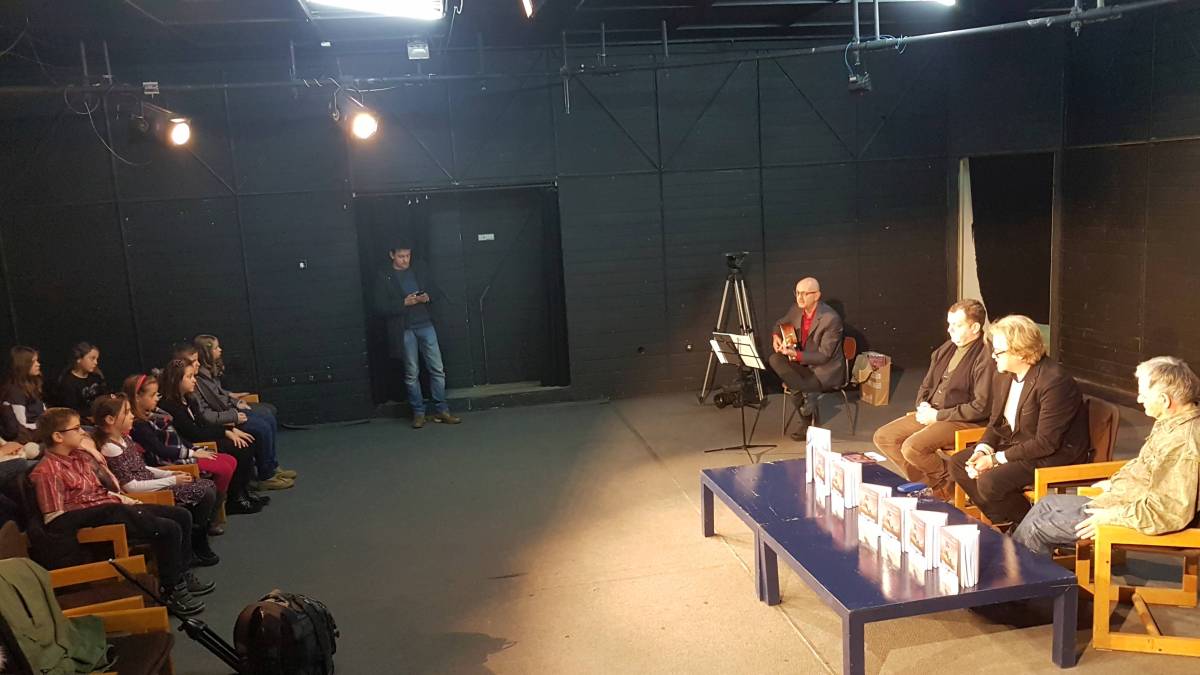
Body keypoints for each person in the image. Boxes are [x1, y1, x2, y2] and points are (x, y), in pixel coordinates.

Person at [27, 407, 213, 615]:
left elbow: (106, 488)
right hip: (98, 519)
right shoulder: (47, 472)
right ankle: (171, 590)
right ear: (58, 436)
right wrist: (102, 510)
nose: (83, 432)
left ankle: (182, 574)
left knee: (182, 515)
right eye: (77, 428)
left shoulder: (79, 457)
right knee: (168, 529)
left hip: (114, 506)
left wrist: (124, 497)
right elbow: (55, 519)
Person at [1013, 356, 1200, 555]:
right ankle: (1017, 563)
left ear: (1164, 400)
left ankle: (1019, 571)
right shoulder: (1171, 422)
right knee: (1045, 504)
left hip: (1138, 518)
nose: (1139, 400)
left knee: (1038, 526)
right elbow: (1145, 466)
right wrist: (1114, 483)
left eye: (1143, 395)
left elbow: (1168, 512)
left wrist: (1112, 516)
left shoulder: (1183, 443)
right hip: (1125, 501)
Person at [947, 315, 1090, 527]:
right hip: (1022, 443)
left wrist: (995, 460)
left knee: (990, 481)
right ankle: (1007, 524)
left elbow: (1046, 443)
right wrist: (983, 450)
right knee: (959, 463)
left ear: (1022, 352)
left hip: (1055, 453)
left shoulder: (1055, 382)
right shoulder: (1004, 374)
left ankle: (1030, 527)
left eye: (999, 351)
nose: (993, 356)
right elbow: (996, 423)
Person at [873, 299, 994, 500]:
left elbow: (980, 407)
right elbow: (927, 384)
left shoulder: (985, 356)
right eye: (949, 324)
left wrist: (938, 416)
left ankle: (948, 482)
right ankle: (937, 484)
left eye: (957, 325)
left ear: (975, 327)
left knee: (912, 447)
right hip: (934, 412)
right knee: (884, 437)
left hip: (963, 419)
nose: (949, 329)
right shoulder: (946, 349)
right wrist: (923, 405)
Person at [92, 393, 222, 556]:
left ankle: (195, 537)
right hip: (146, 493)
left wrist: (168, 474)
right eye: (127, 412)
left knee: (208, 485)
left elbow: (142, 468)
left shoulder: (125, 438)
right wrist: (172, 480)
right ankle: (197, 542)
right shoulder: (110, 448)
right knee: (205, 493)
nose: (132, 416)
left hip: (151, 483)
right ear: (110, 420)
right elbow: (131, 487)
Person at [125, 372, 253, 527]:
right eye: (152, 395)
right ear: (137, 398)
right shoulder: (139, 425)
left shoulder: (155, 414)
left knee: (230, 461)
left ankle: (217, 507)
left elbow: (178, 437)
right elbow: (161, 450)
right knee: (223, 468)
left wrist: (194, 447)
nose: (157, 398)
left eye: (157, 394)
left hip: (182, 450)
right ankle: (212, 516)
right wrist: (192, 452)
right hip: (171, 460)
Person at [157, 359, 273, 509]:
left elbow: (203, 423)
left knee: (247, 440)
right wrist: (225, 432)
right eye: (189, 377)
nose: (194, 380)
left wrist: (230, 430)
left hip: (202, 436)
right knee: (240, 448)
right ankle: (235, 498)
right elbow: (193, 433)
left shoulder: (189, 398)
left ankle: (244, 491)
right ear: (176, 380)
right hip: (194, 444)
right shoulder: (170, 405)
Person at [373, 242, 462, 429]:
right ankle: (418, 412)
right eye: (401, 256)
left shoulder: (420, 269)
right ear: (392, 255)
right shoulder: (384, 276)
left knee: (437, 369)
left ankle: (442, 409)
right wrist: (404, 303)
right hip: (405, 328)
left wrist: (427, 297)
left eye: (408, 256)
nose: (405, 260)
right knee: (412, 373)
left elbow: (435, 290)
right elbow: (380, 306)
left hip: (426, 323)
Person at [191, 335, 295, 490]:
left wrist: (235, 401)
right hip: (224, 418)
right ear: (206, 352)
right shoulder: (197, 380)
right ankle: (266, 476)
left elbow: (220, 394)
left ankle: (271, 466)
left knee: (268, 415)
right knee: (261, 426)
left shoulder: (207, 371)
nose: (220, 350)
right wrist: (233, 415)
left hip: (227, 411)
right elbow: (207, 412)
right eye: (216, 348)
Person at [767, 277, 844, 439]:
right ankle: (808, 395)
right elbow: (780, 324)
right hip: (802, 364)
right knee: (775, 359)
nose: (799, 298)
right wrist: (776, 336)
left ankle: (807, 423)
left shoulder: (831, 318)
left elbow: (824, 356)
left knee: (792, 385)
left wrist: (796, 354)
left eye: (805, 294)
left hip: (822, 370)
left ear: (817, 295)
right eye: (797, 293)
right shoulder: (796, 309)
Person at [1, 346, 46, 443]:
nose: (38, 364)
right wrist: (47, 426)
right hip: (30, 437)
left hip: (40, 430)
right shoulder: (15, 391)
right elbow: (21, 425)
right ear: (23, 365)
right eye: (33, 362)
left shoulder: (32, 385)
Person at [53, 342, 107, 414]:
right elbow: (72, 410)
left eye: (97, 359)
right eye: (92, 358)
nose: (96, 362)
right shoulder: (68, 382)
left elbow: (103, 399)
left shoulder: (96, 377)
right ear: (78, 359)